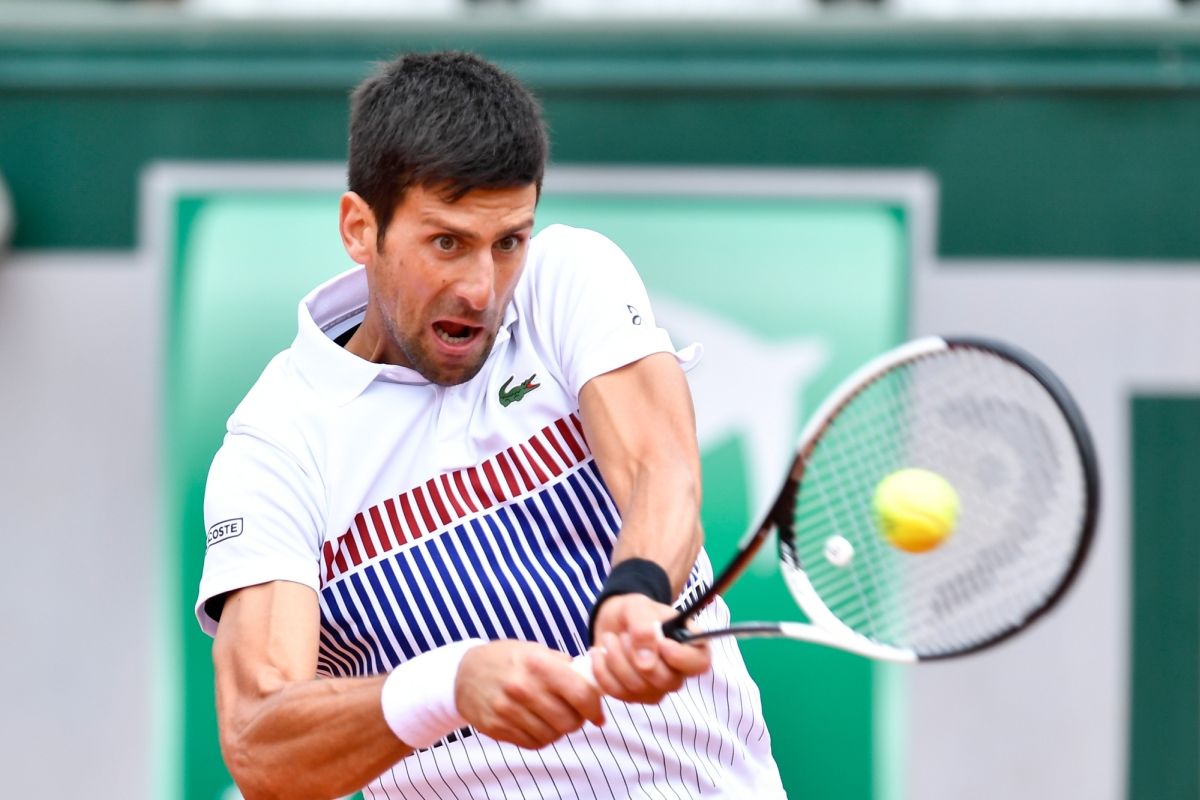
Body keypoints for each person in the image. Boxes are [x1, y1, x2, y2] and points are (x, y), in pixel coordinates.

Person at [195, 50, 786, 800]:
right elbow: (259, 740)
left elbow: (658, 471)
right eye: (447, 242)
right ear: (359, 228)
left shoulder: (568, 277)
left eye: (508, 241)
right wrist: (445, 686)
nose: (481, 289)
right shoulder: (276, 445)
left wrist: (638, 590)